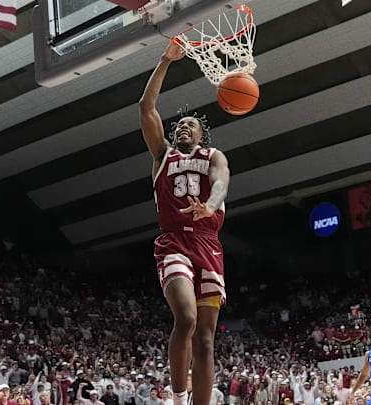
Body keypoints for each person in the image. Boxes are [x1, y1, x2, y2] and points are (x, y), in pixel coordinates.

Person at [139, 42, 231, 405]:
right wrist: (164, 61)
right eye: (178, 125)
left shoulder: (214, 156)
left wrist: (210, 205)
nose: (182, 128)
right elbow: (146, 108)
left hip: (209, 244)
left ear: (201, 135)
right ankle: (178, 399)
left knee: (206, 341)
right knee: (187, 319)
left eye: (189, 125)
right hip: (175, 242)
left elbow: (222, 182)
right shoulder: (163, 155)